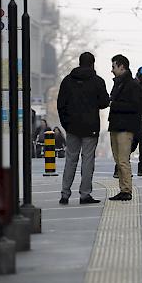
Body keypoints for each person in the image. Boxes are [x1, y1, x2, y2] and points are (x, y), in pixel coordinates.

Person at [56, 52, 109, 205]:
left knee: (70, 159)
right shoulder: (98, 81)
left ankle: (65, 194)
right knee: (87, 160)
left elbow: (61, 104)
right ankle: (85, 194)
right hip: (90, 127)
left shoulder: (67, 81)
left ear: (79, 63)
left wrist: (66, 124)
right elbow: (104, 102)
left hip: (72, 127)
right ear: (92, 64)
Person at [108, 54, 141, 201]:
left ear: (122, 67)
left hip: (125, 127)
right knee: (118, 160)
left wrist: (113, 104)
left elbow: (135, 106)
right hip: (116, 125)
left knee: (123, 160)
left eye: (114, 67)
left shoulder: (132, 84)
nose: (112, 70)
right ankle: (122, 189)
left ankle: (126, 190)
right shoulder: (118, 83)